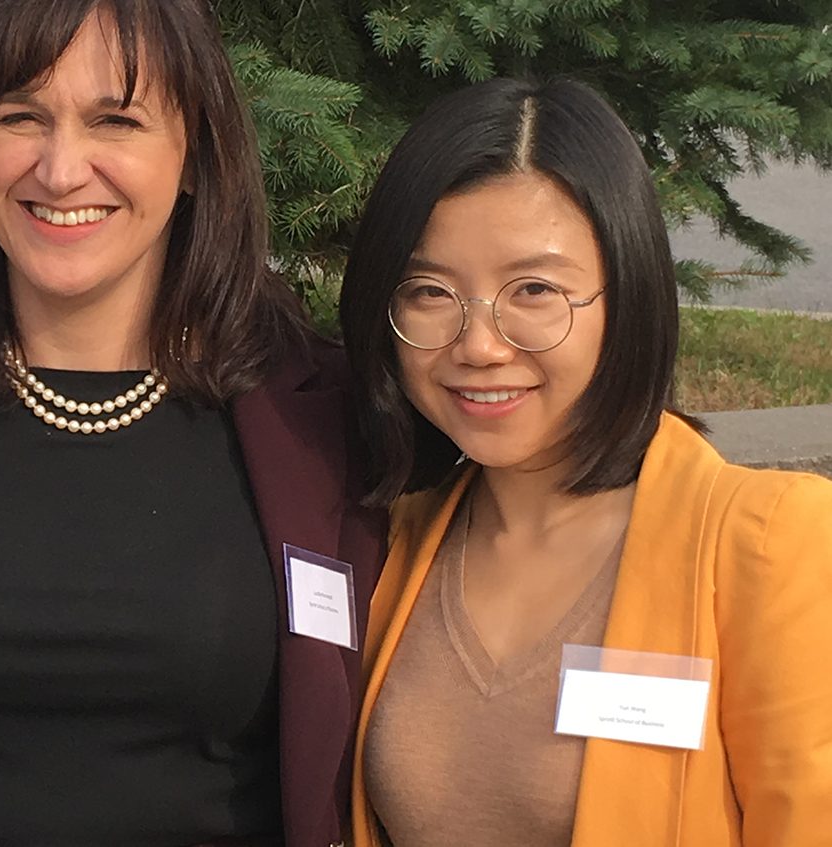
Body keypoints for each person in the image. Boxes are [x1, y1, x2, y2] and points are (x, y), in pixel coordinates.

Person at [0, 0, 385, 844]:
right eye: (21, 116)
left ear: (196, 155)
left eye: (117, 121)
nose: (61, 171)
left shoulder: (322, 409)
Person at [337, 77, 832, 846]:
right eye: (430, 291)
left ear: (626, 292)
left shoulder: (769, 544)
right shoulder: (392, 542)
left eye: (534, 288)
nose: (478, 344)